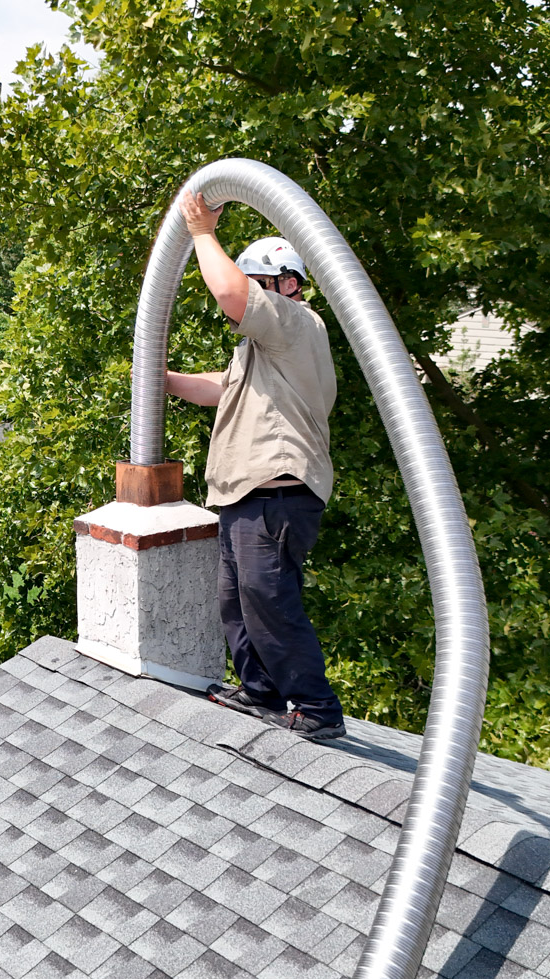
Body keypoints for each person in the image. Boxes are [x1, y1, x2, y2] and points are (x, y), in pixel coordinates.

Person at [165, 189, 345, 741]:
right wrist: (164, 380)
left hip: (277, 490)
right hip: (245, 493)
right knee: (237, 599)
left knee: (270, 599)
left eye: (261, 282)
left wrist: (200, 232)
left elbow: (228, 294)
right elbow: (222, 390)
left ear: (287, 283)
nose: (254, 293)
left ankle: (316, 708)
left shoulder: (294, 321)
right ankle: (261, 690)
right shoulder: (262, 352)